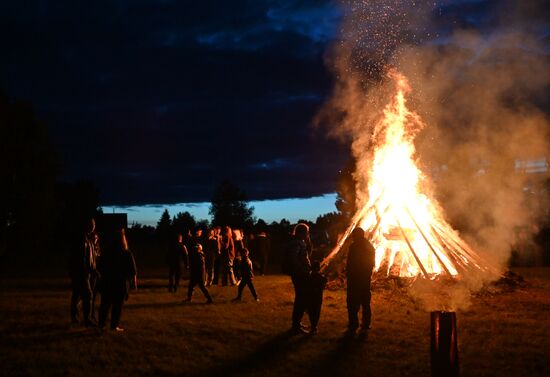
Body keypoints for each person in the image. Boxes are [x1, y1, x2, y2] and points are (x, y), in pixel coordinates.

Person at [98, 228, 137, 332]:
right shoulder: (126, 253)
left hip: (107, 282)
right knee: (117, 306)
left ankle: (101, 325)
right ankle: (114, 325)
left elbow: (99, 267)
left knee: (105, 305)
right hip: (120, 284)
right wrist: (133, 284)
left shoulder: (106, 252)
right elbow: (133, 271)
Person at [346, 227, 376, 338]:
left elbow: (351, 263)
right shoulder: (370, 246)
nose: (353, 237)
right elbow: (372, 263)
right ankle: (365, 324)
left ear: (358, 235)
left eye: (354, 235)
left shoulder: (354, 247)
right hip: (364, 278)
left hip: (356, 278)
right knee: (365, 302)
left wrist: (349, 274)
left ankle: (354, 324)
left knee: (352, 302)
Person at [69, 217, 97, 326]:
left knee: (77, 294)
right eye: (91, 224)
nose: (93, 227)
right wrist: (90, 270)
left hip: (82, 272)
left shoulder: (86, 239)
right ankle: (87, 319)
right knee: (87, 294)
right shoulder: (82, 240)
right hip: (82, 273)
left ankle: (75, 317)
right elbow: (82, 259)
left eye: (93, 224)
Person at [287, 223, 312, 334]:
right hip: (300, 275)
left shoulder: (300, 242)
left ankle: (297, 323)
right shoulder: (296, 243)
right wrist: (301, 270)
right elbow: (293, 259)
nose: (308, 234)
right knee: (300, 299)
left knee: (302, 299)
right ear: (301, 232)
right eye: (306, 232)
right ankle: (296, 325)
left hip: (301, 274)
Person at [308, 260, 327, 334]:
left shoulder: (309, 276)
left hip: (310, 297)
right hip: (318, 298)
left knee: (311, 311)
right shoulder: (320, 277)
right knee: (316, 311)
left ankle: (313, 324)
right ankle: (314, 326)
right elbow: (325, 280)